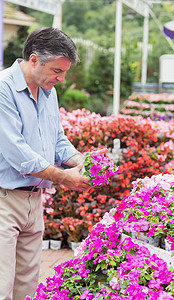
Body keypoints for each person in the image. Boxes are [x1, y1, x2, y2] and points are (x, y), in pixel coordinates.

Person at [0, 27, 106, 300]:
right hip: (4, 200)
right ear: (34, 59)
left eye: (64, 72)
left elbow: (58, 141)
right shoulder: (3, 89)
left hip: (34, 202)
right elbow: (17, 152)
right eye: (57, 71)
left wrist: (85, 162)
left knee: (27, 286)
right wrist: (64, 177)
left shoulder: (48, 91)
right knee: (1, 286)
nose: (61, 78)